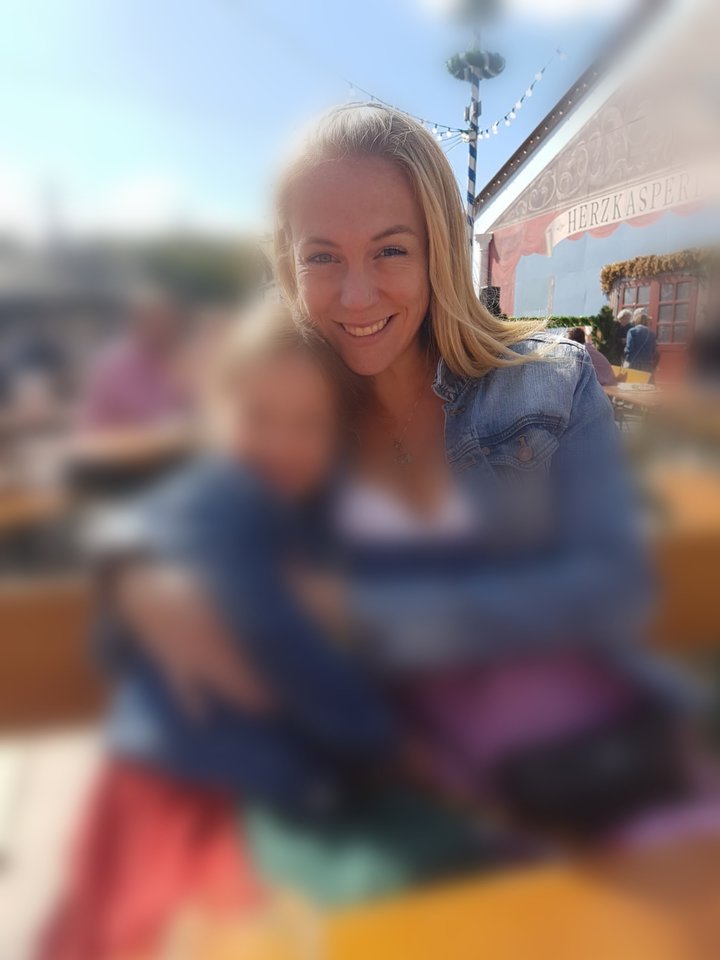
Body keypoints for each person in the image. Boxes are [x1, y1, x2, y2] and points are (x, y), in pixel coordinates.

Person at [38, 104, 709, 960]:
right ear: (290, 262)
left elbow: (608, 590)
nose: (356, 296)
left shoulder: (548, 382)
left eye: (390, 250)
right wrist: (139, 573)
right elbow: (165, 522)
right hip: (390, 785)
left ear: (438, 250)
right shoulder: (286, 401)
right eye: (323, 256)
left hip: (574, 755)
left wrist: (364, 617)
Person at [79, 286, 191, 430]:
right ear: (136, 323)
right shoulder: (114, 367)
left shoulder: (183, 361)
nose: (162, 330)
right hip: (123, 441)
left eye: (168, 323)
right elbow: (94, 427)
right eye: (152, 322)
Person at [624, 309, 659, 373]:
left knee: (633, 379)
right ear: (647, 321)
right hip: (648, 365)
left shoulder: (632, 331)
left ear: (636, 320)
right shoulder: (652, 334)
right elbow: (654, 351)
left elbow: (629, 349)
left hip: (634, 364)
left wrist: (626, 362)